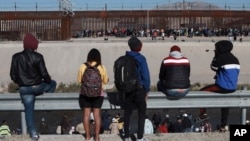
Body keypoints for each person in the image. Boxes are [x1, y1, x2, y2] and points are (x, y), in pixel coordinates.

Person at [9, 33, 57, 141]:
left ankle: (33, 134)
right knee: (53, 83)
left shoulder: (15, 57)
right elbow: (44, 74)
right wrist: (48, 79)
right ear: (33, 45)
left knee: (28, 111)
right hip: (37, 87)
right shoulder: (38, 57)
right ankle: (46, 107)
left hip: (24, 89)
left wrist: (20, 82)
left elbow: (12, 75)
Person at [199, 40, 240, 132]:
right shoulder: (235, 59)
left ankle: (203, 114)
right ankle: (223, 125)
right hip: (232, 87)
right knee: (225, 104)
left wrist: (215, 56)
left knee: (201, 93)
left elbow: (213, 67)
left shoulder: (221, 57)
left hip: (222, 86)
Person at [77, 48, 109, 141]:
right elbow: (106, 81)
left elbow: (79, 80)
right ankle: (97, 137)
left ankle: (87, 136)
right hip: (98, 94)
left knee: (86, 115)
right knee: (97, 116)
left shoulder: (83, 66)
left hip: (85, 94)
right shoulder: (101, 67)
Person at [123, 37, 151, 141]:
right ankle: (140, 137)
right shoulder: (141, 59)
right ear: (139, 47)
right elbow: (145, 76)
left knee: (127, 113)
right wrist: (147, 90)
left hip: (127, 90)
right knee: (141, 112)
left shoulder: (125, 58)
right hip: (139, 89)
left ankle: (126, 136)